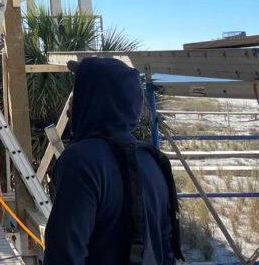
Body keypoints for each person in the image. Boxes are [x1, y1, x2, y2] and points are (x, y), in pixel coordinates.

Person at [43, 57, 182, 265]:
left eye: (77, 93)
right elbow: (166, 249)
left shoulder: (81, 162)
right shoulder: (153, 160)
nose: (71, 103)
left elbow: (64, 256)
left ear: (92, 100)